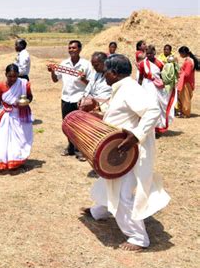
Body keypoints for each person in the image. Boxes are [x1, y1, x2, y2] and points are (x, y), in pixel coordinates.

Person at [82, 54, 170, 251]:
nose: (104, 75)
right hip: (120, 150)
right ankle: (100, 211)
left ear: (114, 73)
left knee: (123, 193)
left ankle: (138, 238)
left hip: (131, 152)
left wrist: (136, 136)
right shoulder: (122, 88)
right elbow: (121, 112)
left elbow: (153, 110)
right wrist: (99, 110)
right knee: (110, 182)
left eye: (105, 71)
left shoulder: (130, 89)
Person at [48, 40, 93, 161]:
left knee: (80, 126)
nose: (71, 50)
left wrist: (83, 80)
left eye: (74, 48)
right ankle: (70, 147)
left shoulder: (86, 65)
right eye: (70, 48)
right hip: (66, 98)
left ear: (79, 49)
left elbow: (91, 84)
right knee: (67, 124)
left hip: (79, 99)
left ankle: (81, 150)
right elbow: (55, 80)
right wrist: (52, 71)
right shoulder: (64, 64)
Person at [0, 64, 32, 170]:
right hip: (6, 115)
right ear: (6, 75)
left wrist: (24, 102)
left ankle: (17, 160)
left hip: (20, 115)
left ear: (18, 75)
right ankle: (3, 160)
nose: (12, 79)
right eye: (10, 76)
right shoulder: (0, 86)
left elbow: (30, 96)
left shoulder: (23, 84)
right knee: (4, 138)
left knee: (20, 138)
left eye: (15, 76)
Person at [138, 45, 175, 134]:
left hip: (158, 88)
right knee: (149, 106)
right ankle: (149, 128)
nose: (149, 55)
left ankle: (157, 128)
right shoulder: (143, 63)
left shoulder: (160, 63)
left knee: (158, 107)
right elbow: (140, 77)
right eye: (147, 54)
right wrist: (138, 87)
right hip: (147, 86)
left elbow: (164, 75)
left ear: (154, 53)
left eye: (151, 53)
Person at [176, 46, 197, 118]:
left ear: (184, 53)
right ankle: (183, 112)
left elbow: (187, 73)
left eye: (180, 54)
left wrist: (180, 73)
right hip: (188, 81)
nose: (180, 55)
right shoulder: (189, 60)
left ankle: (186, 113)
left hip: (186, 82)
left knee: (185, 98)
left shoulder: (188, 61)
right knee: (184, 97)